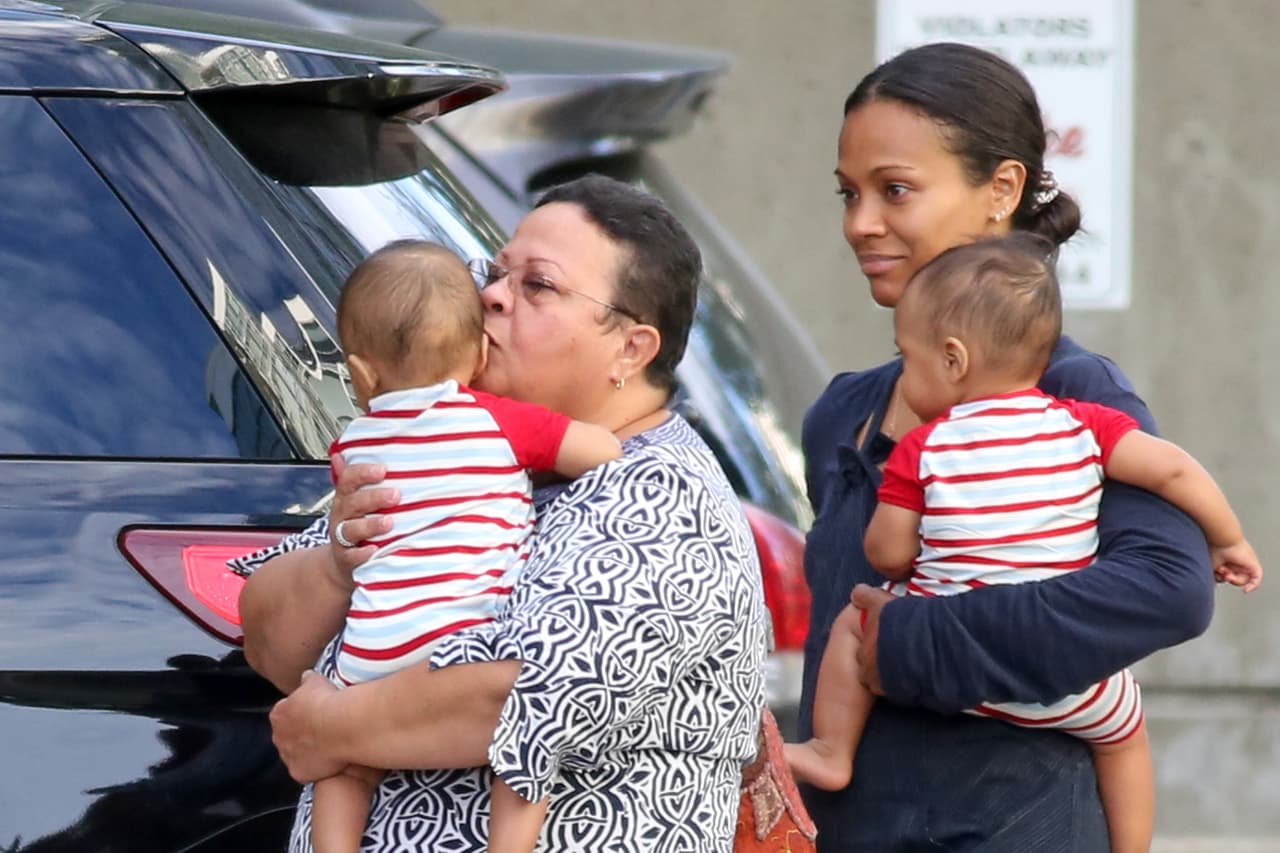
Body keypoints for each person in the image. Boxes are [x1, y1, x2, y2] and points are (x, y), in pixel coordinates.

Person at [232, 174, 770, 852]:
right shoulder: (442, 439)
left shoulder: (662, 494)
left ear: (631, 349)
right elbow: (268, 643)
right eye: (494, 274)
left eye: (536, 285)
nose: (489, 296)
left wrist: (329, 728)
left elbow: (524, 697)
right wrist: (340, 565)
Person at [799, 42, 1219, 851]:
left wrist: (917, 643)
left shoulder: (1075, 391)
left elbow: (1170, 588)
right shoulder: (842, 414)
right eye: (849, 193)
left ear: (1002, 189)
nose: (860, 223)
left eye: (895, 190)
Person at [787, 234, 1262, 853]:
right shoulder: (1084, 423)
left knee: (856, 618)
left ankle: (830, 750)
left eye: (909, 357)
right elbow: (1174, 471)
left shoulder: (923, 447)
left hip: (933, 674)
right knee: (1125, 739)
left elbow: (889, 555)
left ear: (953, 360)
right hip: (1067, 686)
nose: (903, 373)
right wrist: (1230, 540)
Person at [310, 240, 624, 853]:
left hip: (373, 649)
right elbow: (602, 452)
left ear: (362, 373)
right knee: (525, 739)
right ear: (480, 352)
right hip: (469, 643)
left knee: (342, 767)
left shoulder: (353, 447)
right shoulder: (495, 419)